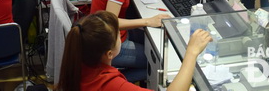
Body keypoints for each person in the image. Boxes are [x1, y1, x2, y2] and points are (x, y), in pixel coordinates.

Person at [56, 11, 211, 91]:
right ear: (109, 54)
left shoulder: (79, 57)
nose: (120, 34)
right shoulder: (109, 84)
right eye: (118, 35)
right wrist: (191, 52)